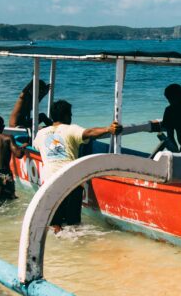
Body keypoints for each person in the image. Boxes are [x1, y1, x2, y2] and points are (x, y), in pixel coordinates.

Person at [33, 99, 121, 231]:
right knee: (74, 226)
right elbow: (90, 132)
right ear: (66, 115)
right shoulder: (70, 129)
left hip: (50, 183)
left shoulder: (40, 134)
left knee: (55, 226)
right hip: (72, 182)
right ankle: (77, 248)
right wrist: (109, 129)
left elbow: (37, 147)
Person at [0, 114, 29, 208]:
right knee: (9, 206)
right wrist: (23, 146)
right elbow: (19, 154)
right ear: (2, 127)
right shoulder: (8, 138)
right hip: (6, 176)